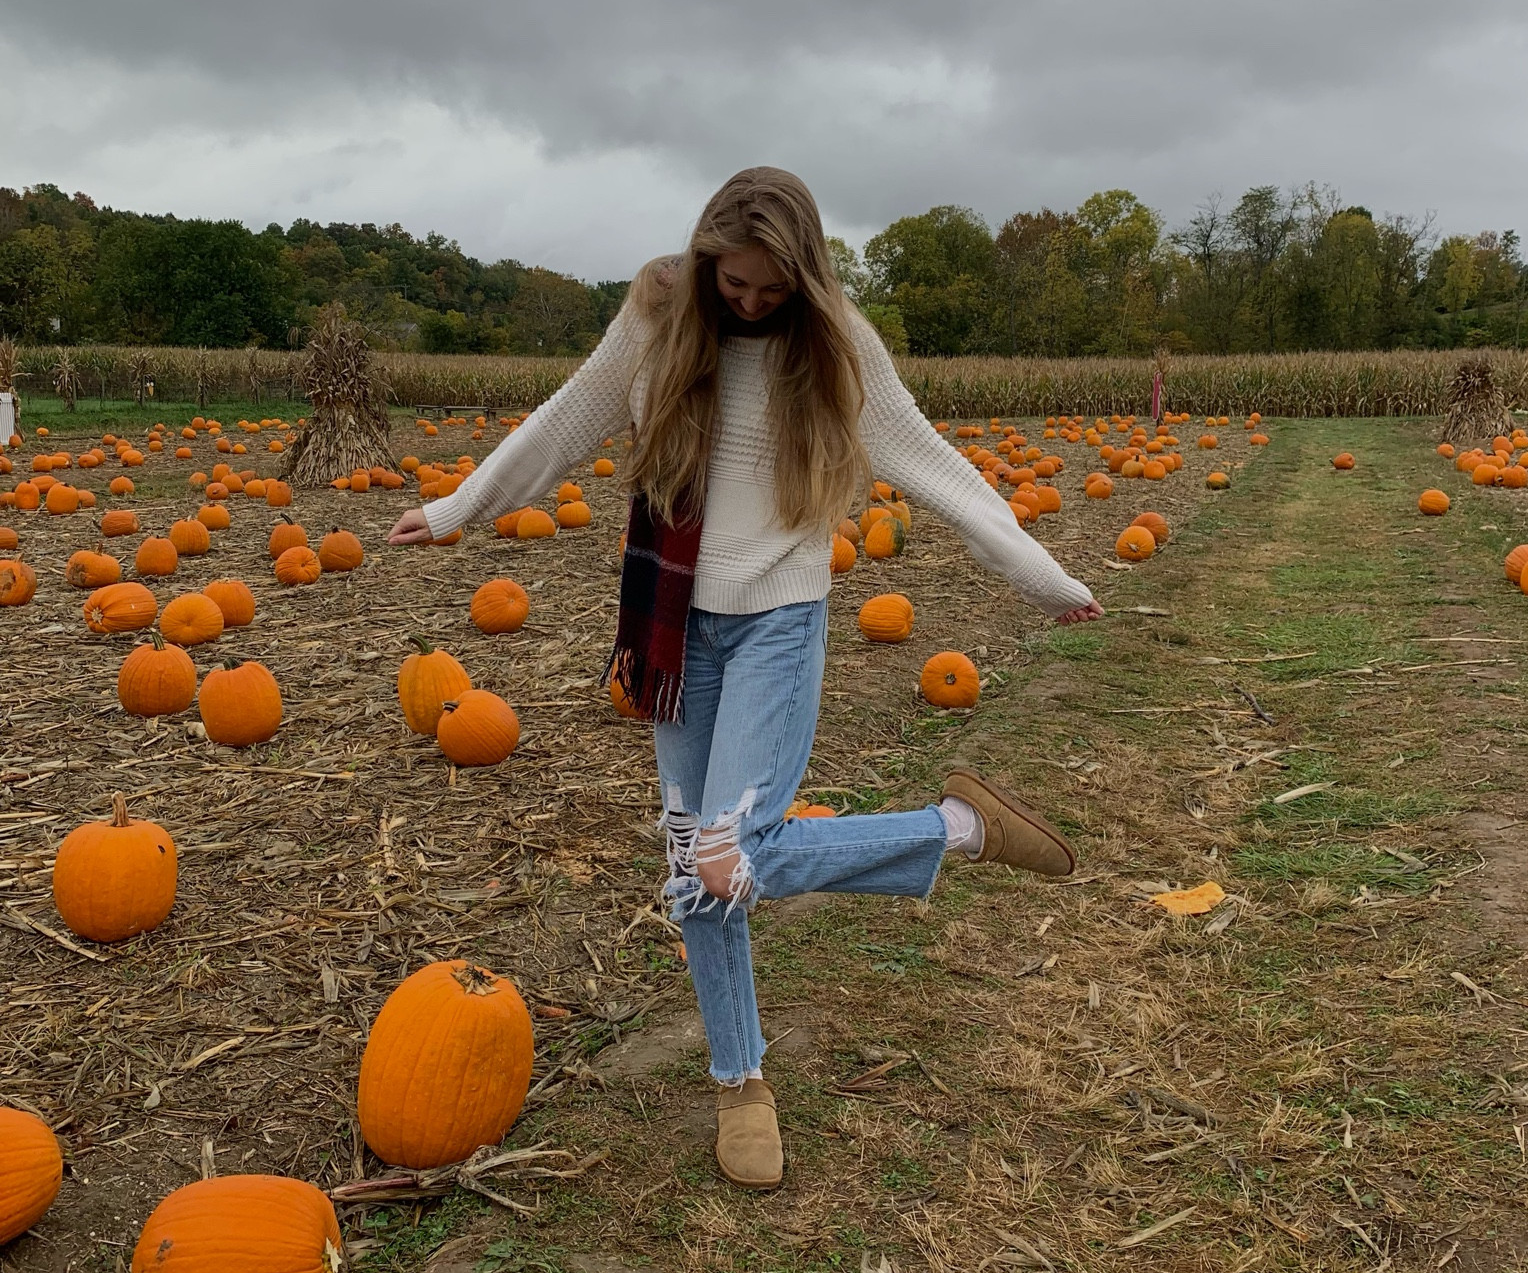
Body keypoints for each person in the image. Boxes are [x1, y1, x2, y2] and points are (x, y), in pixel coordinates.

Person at [389, 168, 1103, 1190]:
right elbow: (568, 418)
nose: (754, 305)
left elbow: (939, 467)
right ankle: (741, 1080)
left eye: (774, 290)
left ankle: (956, 827)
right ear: (708, 256)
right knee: (696, 865)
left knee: (731, 851)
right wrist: (461, 505)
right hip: (680, 624)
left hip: (778, 619)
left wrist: (1045, 577)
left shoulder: (839, 344)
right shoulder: (660, 312)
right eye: (737, 285)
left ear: (804, 276)